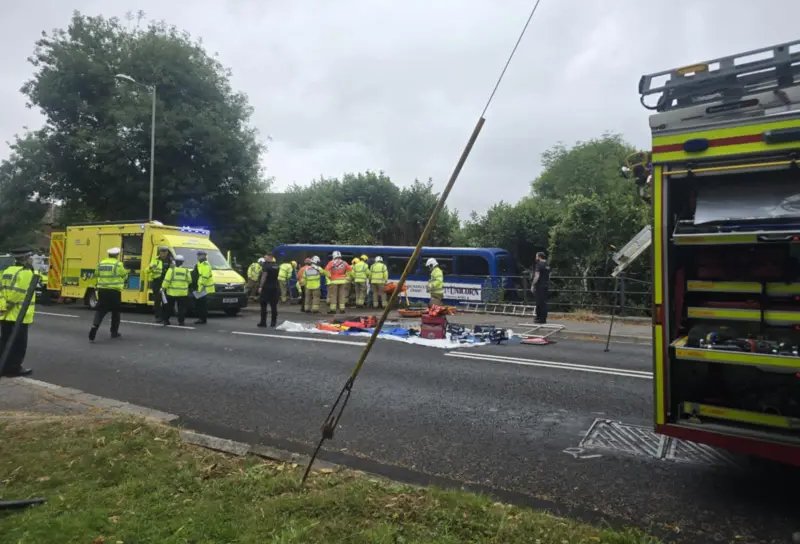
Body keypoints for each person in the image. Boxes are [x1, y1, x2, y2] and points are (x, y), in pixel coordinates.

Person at [0, 249, 39, 377]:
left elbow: (1, 291)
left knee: (5, 341)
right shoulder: (26, 273)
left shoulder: (7, 271)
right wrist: (9, 305)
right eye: (30, 257)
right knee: (19, 345)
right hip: (19, 315)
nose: (31, 259)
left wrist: (3, 307)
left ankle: (3, 365)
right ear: (25, 258)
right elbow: (19, 293)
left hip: (5, 315)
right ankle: (14, 368)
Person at [89, 247, 128, 342]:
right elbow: (124, 275)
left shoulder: (101, 263)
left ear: (109, 255)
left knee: (100, 311)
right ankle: (114, 332)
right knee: (116, 312)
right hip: (114, 292)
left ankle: (94, 327)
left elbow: (96, 274)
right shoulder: (118, 264)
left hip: (102, 291)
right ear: (117, 255)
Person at [162, 254, 190, 326]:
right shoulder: (186, 270)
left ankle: (166, 320)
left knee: (169, 307)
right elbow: (190, 280)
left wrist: (163, 288)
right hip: (183, 293)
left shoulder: (171, 270)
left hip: (172, 293)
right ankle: (181, 322)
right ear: (182, 262)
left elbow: (167, 280)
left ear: (175, 262)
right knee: (182, 309)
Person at [148, 246, 173, 323]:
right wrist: (151, 268)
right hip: (157, 282)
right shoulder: (155, 260)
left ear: (167, 252)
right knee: (158, 300)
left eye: (165, 252)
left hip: (167, 282)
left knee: (166, 301)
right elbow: (148, 270)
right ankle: (158, 316)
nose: (163, 253)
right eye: (162, 252)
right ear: (160, 252)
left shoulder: (170, 260)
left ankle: (165, 317)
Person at [191, 250, 215, 325]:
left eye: (200, 255)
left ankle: (202, 319)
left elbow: (204, 277)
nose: (198, 257)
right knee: (199, 304)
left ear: (204, 256)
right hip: (199, 287)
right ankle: (201, 318)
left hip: (203, 288)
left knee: (202, 304)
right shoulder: (199, 264)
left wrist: (200, 288)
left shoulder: (205, 265)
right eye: (198, 255)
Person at [258, 254, 280, 327]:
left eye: (265, 257)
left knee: (263, 304)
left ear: (269, 257)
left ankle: (263, 322)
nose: (264, 258)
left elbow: (264, 276)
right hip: (275, 287)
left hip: (266, 288)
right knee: (274, 306)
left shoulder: (266, 266)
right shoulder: (276, 266)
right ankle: (273, 323)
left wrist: (260, 286)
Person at [532, 251, 551, 324]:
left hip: (539, 286)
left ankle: (539, 318)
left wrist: (533, 284)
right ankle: (544, 318)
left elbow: (537, 276)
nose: (536, 258)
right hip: (546, 285)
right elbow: (549, 276)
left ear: (539, 257)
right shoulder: (547, 264)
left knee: (539, 302)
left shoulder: (539, 264)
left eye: (536, 256)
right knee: (544, 303)